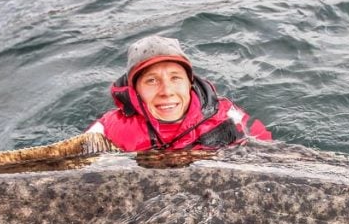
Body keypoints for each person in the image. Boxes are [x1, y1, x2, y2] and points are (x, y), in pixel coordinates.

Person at [85, 35, 272, 151]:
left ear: (189, 83)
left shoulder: (226, 116)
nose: (166, 91)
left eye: (175, 78)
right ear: (136, 90)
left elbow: (265, 153)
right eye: (151, 80)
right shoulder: (107, 131)